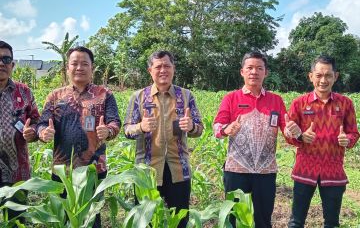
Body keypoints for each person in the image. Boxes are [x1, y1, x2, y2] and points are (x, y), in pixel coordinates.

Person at [36, 46, 121, 227]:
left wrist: (109, 130)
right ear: (67, 68)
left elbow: (115, 122)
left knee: (92, 218)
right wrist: (43, 132)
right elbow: (42, 123)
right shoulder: (55, 96)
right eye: (74, 63)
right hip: (62, 170)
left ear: (92, 68)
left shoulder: (104, 94)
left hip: (94, 169)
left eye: (84, 63)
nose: (79, 68)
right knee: (64, 217)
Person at [124, 50, 204, 227]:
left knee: (180, 220)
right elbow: (127, 130)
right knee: (148, 221)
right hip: (147, 171)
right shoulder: (138, 97)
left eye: (167, 66)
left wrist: (191, 127)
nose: (163, 70)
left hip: (179, 169)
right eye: (158, 66)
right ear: (150, 70)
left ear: (173, 69)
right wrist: (140, 127)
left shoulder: (186, 96)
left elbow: (199, 129)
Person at [213, 51, 287, 228]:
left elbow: (287, 130)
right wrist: (226, 129)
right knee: (235, 218)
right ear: (242, 72)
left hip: (266, 171)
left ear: (265, 72)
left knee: (263, 219)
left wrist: (294, 131)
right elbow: (217, 126)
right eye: (250, 68)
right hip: (236, 170)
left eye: (259, 68)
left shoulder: (276, 100)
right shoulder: (231, 98)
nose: (254, 72)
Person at [285, 55, 359, 228]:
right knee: (296, 222)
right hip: (305, 170)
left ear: (336, 76)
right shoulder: (299, 103)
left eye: (328, 75)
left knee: (332, 223)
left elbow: (354, 133)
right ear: (311, 76)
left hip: (333, 170)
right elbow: (289, 134)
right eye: (318, 75)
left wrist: (346, 139)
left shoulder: (346, 104)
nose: (323, 80)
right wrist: (300, 136)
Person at [0, 40, 40, 221]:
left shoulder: (24, 92)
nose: (1, 63)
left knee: (17, 220)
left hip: (18, 170)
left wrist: (33, 131)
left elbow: (37, 120)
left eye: (6, 59)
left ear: (13, 65)